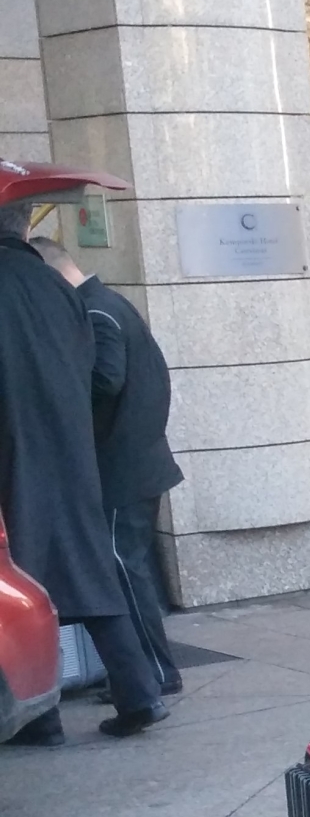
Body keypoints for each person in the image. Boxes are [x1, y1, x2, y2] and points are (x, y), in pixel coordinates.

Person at [0, 201, 165, 740]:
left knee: (22, 586)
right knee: (92, 578)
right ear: (25, 226)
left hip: (14, 453)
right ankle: (139, 692)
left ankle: (40, 717)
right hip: (71, 453)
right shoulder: (55, 287)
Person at [33, 235, 183, 697]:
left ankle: (156, 673)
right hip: (137, 463)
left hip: (122, 468)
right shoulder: (108, 302)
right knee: (128, 569)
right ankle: (147, 671)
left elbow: (106, 379)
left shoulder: (95, 311)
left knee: (124, 570)